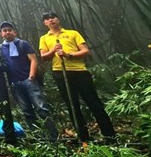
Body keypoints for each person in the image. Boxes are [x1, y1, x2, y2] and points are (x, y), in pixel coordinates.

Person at [39, 12, 115, 142]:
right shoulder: (44, 38)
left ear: (58, 19)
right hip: (60, 73)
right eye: (47, 19)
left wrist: (69, 55)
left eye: (53, 17)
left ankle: (109, 136)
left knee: (94, 102)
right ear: (44, 23)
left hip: (79, 71)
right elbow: (44, 56)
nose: (51, 20)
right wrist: (54, 50)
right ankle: (83, 139)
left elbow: (85, 51)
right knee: (72, 106)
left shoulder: (73, 33)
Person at [0, 21, 58, 141]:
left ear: (14, 32)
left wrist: (31, 76)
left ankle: (54, 137)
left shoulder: (23, 44)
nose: (7, 32)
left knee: (42, 108)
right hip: (14, 84)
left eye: (9, 29)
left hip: (28, 80)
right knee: (27, 111)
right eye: (5, 30)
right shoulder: (0, 48)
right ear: (1, 34)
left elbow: (33, 60)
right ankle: (38, 137)